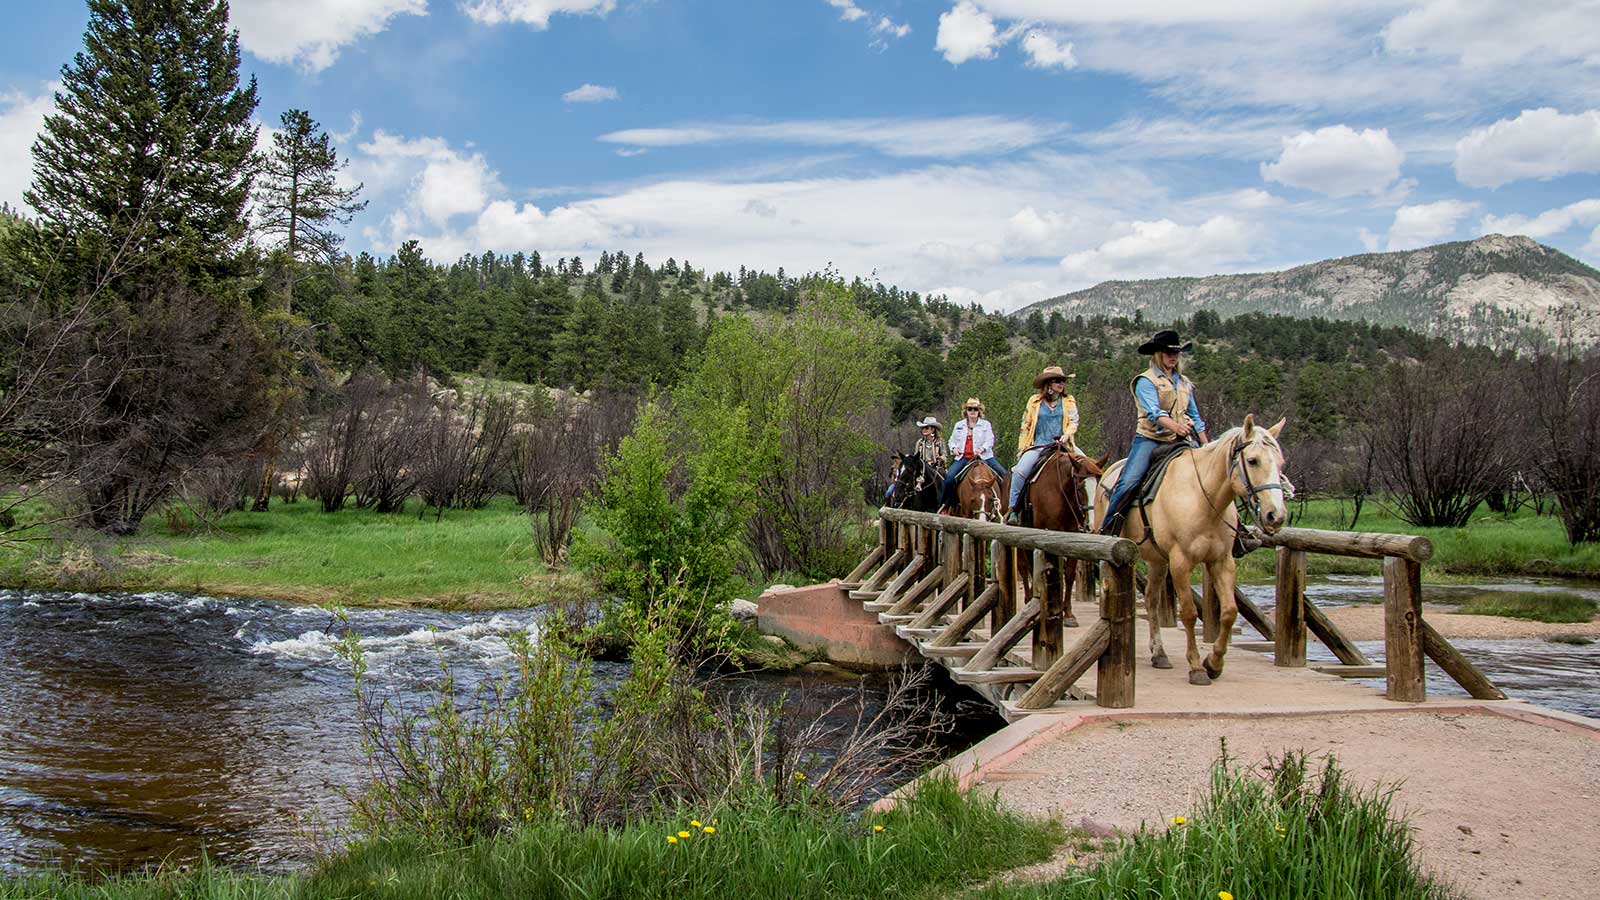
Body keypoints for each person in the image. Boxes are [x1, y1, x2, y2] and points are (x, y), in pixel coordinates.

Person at [1100, 330, 1209, 535]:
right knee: (1129, 481)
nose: (1173, 356)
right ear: (1158, 354)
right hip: (1150, 439)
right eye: (1168, 352)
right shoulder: (1145, 381)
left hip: (1179, 440)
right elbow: (1154, 413)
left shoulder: (1185, 383)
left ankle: (1234, 532)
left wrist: (1206, 445)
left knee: (1212, 474)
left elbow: (1195, 416)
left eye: (1176, 352)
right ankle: (1108, 529)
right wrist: (1177, 427)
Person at [1005, 366, 1079, 525]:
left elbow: (1074, 421)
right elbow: (1025, 426)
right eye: (1057, 380)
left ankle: (1090, 513)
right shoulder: (1034, 401)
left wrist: (1067, 435)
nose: (1062, 384)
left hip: (1064, 445)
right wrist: (1022, 449)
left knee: (1089, 467)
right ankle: (1013, 510)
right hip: (1039, 445)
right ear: (1048, 384)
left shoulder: (1068, 401)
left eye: (1063, 381)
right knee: (1019, 472)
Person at [939, 398, 1008, 512]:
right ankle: (946, 505)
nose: (972, 411)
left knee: (1005, 476)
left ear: (979, 411)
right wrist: (954, 448)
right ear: (966, 411)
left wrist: (982, 449)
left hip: (984, 456)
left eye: (975, 409)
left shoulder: (985, 424)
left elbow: (990, 439)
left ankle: (1006, 505)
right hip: (964, 457)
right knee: (949, 478)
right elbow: (952, 440)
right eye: (970, 409)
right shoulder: (959, 425)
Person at [885, 416, 947, 504]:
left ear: (932, 430)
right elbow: (916, 456)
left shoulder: (940, 442)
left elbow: (945, 456)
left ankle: (945, 502)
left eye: (926, 428)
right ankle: (903, 502)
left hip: (936, 467)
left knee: (946, 480)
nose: (924, 430)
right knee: (910, 479)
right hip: (922, 467)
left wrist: (940, 458)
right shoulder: (920, 442)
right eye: (923, 428)